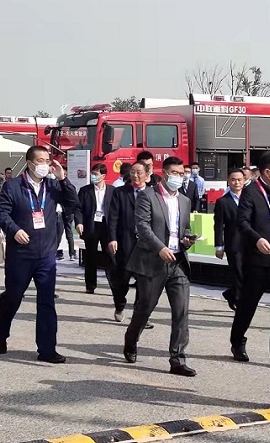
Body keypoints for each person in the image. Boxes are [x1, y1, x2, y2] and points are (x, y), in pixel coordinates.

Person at [0, 146, 78, 363]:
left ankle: (47, 349)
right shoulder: (13, 186)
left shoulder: (52, 185)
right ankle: (0, 335)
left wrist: (63, 179)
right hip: (21, 254)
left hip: (46, 254)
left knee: (47, 302)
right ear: (30, 163)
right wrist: (14, 229)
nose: (45, 164)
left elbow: (72, 203)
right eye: (40, 160)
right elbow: (0, 212)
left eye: (47, 160)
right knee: (13, 297)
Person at [123, 156, 197, 376]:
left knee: (181, 311)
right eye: (175, 173)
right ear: (164, 173)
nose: (179, 177)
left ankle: (177, 359)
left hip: (178, 262)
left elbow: (184, 228)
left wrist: (187, 239)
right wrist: (159, 248)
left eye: (182, 173)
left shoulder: (184, 200)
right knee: (145, 308)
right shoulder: (148, 196)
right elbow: (143, 227)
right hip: (153, 261)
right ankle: (131, 341)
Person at [233, 153, 270, 361]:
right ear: (267, 172)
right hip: (257, 259)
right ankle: (237, 341)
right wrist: (257, 239)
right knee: (248, 304)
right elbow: (242, 222)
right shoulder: (251, 191)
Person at [108, 162, 151, 323]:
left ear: (147, 175)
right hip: (125, 242)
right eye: (133, 172)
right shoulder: (120, 192)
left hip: (146, 245)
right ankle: (120, 304)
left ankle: (140, 316)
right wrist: (112, 238)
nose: (135, 175)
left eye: (139, 172)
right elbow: (113, 218)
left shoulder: (153, 193)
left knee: (144, 282)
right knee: (122, 280)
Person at [75, 164, 113, 294]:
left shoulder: (112, 191)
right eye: (92, 174)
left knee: (110, 255)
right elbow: (78, 209)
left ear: (103, 176)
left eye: (96, 174)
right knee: (90, 255)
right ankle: (90, 285)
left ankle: (114, 284)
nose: (93, 176)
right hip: (91, 225)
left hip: (106, 225)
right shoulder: (85, 190)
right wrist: (79, 222)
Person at [214, 167, 246, 312]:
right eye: (233, 180)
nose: (236, 182)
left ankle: (231, 293)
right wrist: (219, 246)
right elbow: (219, 225)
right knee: (238, 273)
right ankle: (240, 304)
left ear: (244, 181)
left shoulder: (249, 198)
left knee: (249, 274)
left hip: (251, 243)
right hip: (233, 243)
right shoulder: (222, 202)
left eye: (239, 180)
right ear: (228, 181)